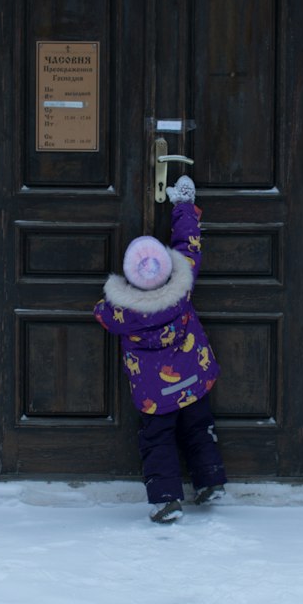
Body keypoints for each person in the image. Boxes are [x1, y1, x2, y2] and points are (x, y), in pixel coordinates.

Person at [93, 174, 227, 523]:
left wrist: (104, 303)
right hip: (193, 379)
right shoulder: (181, 288)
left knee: (158, 439)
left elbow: (102, 316)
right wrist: (183, 205)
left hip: (155, 392)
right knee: (199, 428)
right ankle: (210, 480)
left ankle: (166, 500)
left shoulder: (122, 311)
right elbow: (189, 245)